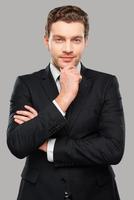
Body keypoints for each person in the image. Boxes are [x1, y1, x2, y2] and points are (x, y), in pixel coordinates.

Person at [7, 5, 125, 200]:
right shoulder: (26, 84)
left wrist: (47, 144)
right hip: (39, 193)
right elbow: (18, 144)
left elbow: (113, 149)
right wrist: (64, 97)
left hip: (96, 193)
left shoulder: (106, 83)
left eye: (76, 40)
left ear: (85, 41)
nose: (68, 49)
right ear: (47, 41)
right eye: (60, 39)